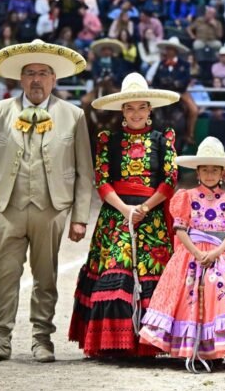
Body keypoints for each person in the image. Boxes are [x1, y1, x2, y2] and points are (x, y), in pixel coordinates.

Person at [0, 40, 94, 363]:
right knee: (3, 275)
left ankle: (42, 340)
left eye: (43, 73)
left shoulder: (74, 115)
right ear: (20, 78)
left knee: (46, 277)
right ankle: (0, 341)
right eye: (30, 73)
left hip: (52, 209)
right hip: (6, 208)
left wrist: (80, 217)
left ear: (54, 78)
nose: (36, 79)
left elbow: (85, 170)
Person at [68, 73, 181, 358]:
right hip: (116, 216)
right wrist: (126, 210)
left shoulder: (164, 139)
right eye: (130, 108)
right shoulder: (107, 140)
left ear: (150, 109)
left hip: (152, 219)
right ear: (122, 111)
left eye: (141, 107)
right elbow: (102, 181)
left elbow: (170, 180)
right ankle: (113, 344)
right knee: (116, 272)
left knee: (150, 275)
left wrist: (144, 208)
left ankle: (148, 345)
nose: (136, 113)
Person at [138, 137, 225, 369]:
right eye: (205, 169)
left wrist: (217, 252)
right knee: (188, 299)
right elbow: (180, 229)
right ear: (198, 172)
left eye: (215, 170)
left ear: (223, 173)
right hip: (190, 255)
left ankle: (216, 348)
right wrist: (196, 253)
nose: (210, 174)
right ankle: (192, 348)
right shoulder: (186, 197)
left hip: (219, 255)